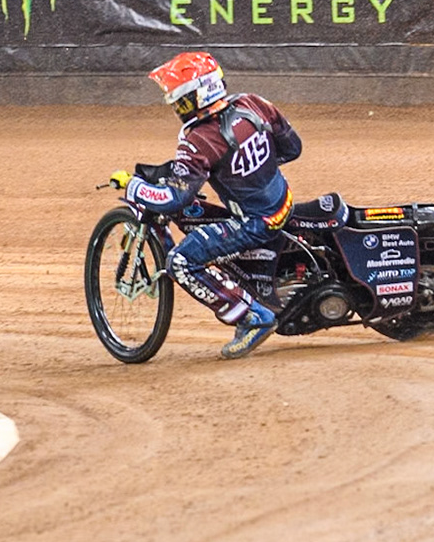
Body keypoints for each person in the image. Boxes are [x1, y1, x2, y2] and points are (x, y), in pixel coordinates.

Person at [110, 52, 302, 359]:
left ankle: (254, 318)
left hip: (255, 223)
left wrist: (133, 185)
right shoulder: (253, 103)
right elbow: (292, 148)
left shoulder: (198, 140)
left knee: (180, 262)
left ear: (199, 96)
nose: (176, 107)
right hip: (283, 202)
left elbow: (175, 199)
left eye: (180, 101)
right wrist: (249, 172)